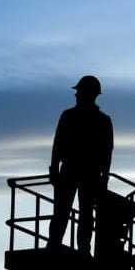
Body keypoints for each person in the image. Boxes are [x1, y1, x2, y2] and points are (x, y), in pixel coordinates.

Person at [47, 75, 114, 256]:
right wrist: (104, 178)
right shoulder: (100, 120)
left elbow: (107, 151)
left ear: (87, 94)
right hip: (83, 172)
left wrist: (54, 169)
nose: (76, 95)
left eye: (79, 92)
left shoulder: (72, 116)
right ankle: (79, 250)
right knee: (75, 214)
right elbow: (58, 143)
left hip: (78, 171)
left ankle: (61, 247)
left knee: (71, 213)